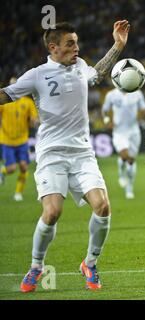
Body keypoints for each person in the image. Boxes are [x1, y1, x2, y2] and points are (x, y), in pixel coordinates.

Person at [0, 20, 130, 292]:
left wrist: (118, 45)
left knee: (103, 207)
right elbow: (6, 95)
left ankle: (90, 264)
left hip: (82, 153)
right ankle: (36, 267)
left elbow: (100, 71)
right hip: (51, 154)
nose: (77, 48)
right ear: (53, 47)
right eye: (70, 43)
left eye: (76, 42)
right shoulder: (37, 74)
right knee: (53, 212)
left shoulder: (81, 67)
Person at [102, 87, 145, 199]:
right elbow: (104, 110)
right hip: (119, 131)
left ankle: (129, 188)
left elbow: (144, 110)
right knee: (124, 155)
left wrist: (143, 114)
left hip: (134, 131)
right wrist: (107, 121)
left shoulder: (137, 93)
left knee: (131, 160)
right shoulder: (111, 94)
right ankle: (121, 174)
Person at [0, 77, 38, 201]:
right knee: (11, 169)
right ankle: (3, 171)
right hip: (7, 140)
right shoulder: (4, 102)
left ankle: (18, 193)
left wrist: (34, 121)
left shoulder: (27, 102)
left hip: (22, 140)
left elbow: (33, 119)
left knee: (24, 167)